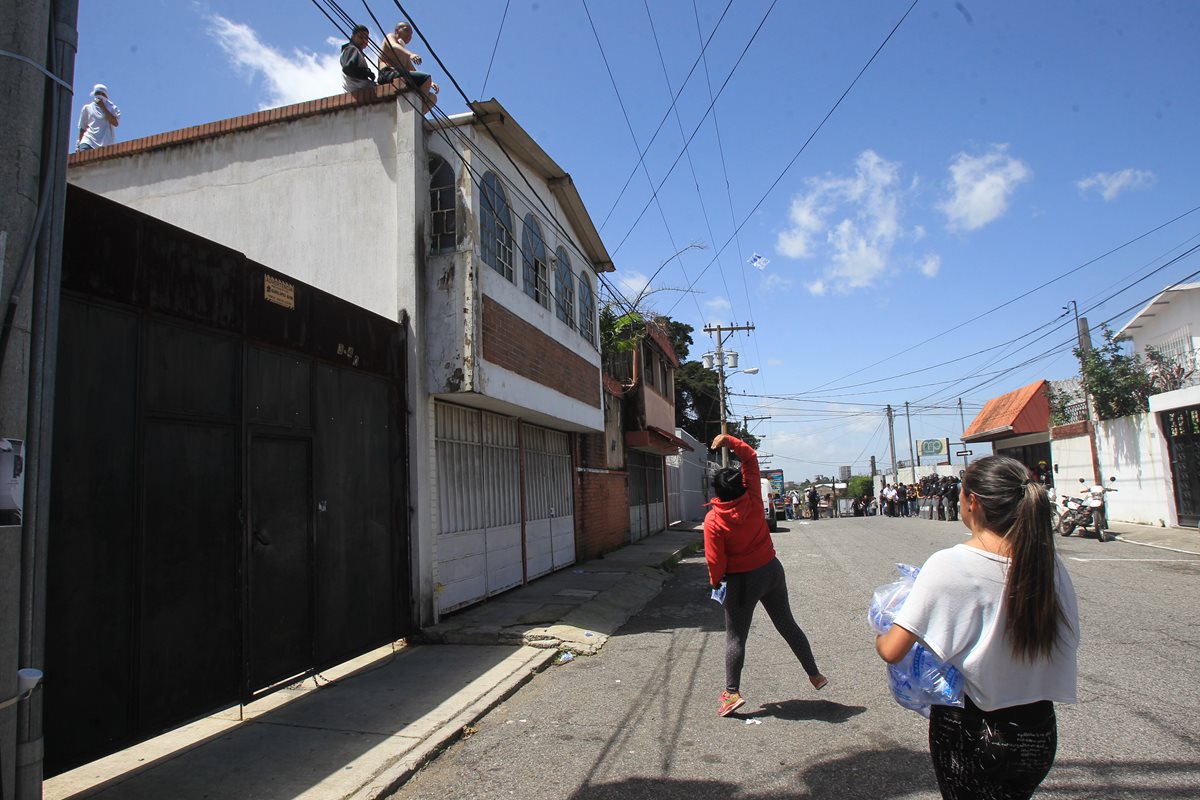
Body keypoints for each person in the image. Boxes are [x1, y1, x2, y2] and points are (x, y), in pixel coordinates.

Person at [874, 455, 1079, 799]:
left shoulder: (950, 562)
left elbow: (893, 650)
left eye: (960, 495)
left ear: (973, 502)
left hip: (977, 730)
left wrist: (882, 630)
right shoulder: (1047, 562)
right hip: (1039, 731)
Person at [704, 434, 827, 717]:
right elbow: (751, 459)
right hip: (771, 571)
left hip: (741, 581)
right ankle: (815, 674)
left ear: (717, 491)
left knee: (736, 638)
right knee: (787, 624)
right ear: (742, 485)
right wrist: (730, 441)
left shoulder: (714, 520)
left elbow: (715, 560)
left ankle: (731, 693)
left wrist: (715, 582)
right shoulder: (753, 500)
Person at [378, 21, 439, 113]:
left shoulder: (403, 51)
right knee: (426, 78)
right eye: (406, 30)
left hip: (399, 75)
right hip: (387, 74)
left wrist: (430, 83)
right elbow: (393, 46)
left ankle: (418, 115)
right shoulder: (391, 37)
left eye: (411, 34)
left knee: (432, 98)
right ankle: (415, 111)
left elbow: (411, 69)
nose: (409, 35)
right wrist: (410, 54)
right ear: (397, 30)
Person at [77, 84, 120, 151]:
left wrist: (103, 107)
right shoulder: (87, 108)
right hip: (88, 141)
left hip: (105, 143)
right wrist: (78, 145)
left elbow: (115, 123)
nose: (100, 95)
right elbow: (82, 128)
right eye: (97, 93)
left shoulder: (113, 108)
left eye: (102, 94)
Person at [341, 24, 376, 93]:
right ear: (353, 37)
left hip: (356, 90)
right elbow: (348, 68)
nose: (364, 40)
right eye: (360, 37)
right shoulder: (352, 49)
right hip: (358, 90)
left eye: (366, 38)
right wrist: (366, 72)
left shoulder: (355, 52)